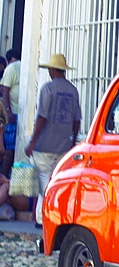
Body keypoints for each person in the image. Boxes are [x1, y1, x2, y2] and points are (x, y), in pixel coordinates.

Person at [25, 53, 81, 226]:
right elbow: (77, 119)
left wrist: (32, 141)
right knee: (57, 181)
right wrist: (72, 142)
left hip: (45, 145)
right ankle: (55, 216)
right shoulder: (73, 90)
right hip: (63, 145)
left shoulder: (47, 89)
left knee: (44, 182)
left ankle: (43, 219)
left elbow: (41, 117)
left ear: (52, 70)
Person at [1, 49, 20, 178]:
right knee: (12, 148)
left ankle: (3, 177)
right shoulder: (24, 66)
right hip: (19, 114)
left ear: (7, 60)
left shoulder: (11, 68)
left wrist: (8, 111)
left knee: (8, 148)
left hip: (13, 115)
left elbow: (4, 90)